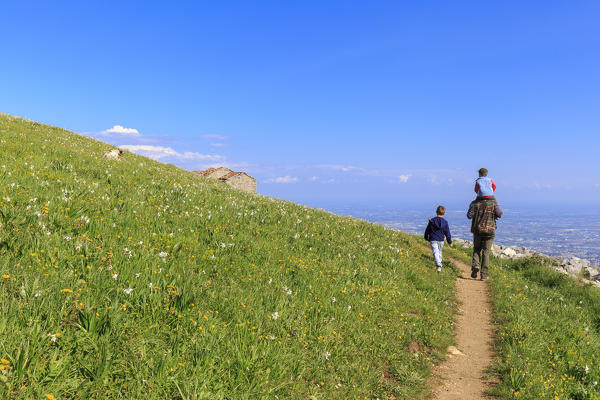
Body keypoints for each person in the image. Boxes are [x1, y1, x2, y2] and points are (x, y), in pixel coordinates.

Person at [467, 195, 503, 280]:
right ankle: (484, 275)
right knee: (486, 252)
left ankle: (475, 265)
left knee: (476, 249)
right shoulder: (494, 203)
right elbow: (500, 214)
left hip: (477, 230)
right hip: (489, 231)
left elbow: (469, 216)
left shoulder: (474, 203)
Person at [424, 205, 453, 272]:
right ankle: (439, 264)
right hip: (441, 240)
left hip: (433, 239)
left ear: (436, 212)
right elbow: (447, 233)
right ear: (444, 213)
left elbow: (427, 230)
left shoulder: (432, 221)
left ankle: (439, 265)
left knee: (435, 252)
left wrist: (426, 237)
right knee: (439, 251)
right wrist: (450, 242)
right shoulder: (445, 222)